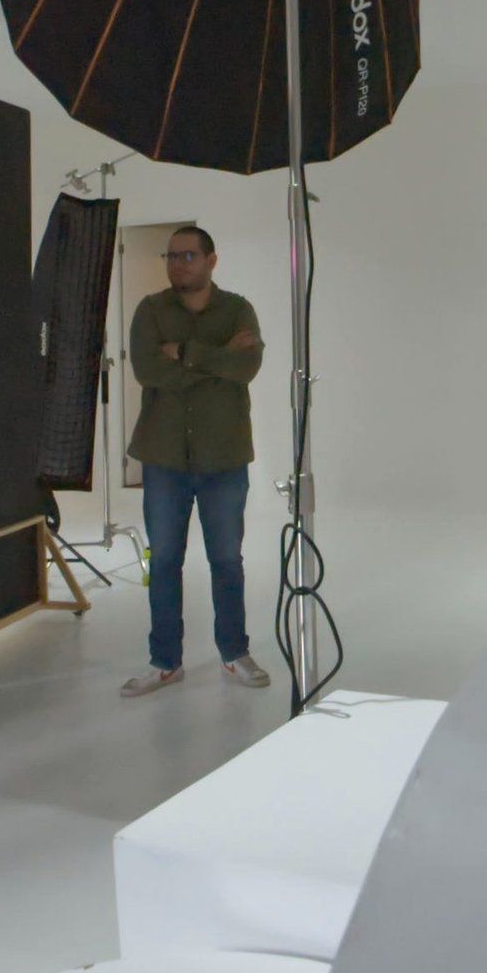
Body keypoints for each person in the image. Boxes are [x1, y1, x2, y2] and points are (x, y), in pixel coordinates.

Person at [121, 224, 271, 699]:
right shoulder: (150, 310)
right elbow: (148, 370)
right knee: (164, 560)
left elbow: (247, 367)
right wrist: (217, 361)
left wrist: (185, 353)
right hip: (164, 457)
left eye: (187, 255)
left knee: (226, 559)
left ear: (211, 260)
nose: (177, 264)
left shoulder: (238, 309)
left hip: (223, 456)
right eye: (171, 256)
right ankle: (165, 662)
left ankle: (234, 652)